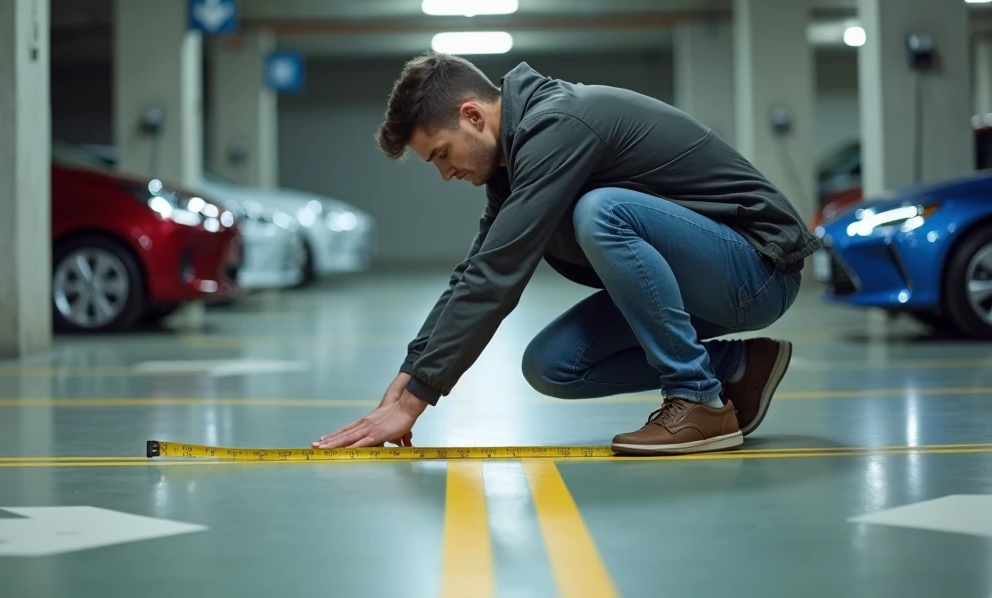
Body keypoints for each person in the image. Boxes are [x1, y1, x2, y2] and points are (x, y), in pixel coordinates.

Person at [314, 54, 819, 455]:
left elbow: (499, 276)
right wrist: (404, 380)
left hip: (757, 267)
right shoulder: (513, 163)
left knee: (602, 213)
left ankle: (698, 399)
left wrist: (417, 402)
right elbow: (475, 271)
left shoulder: (558, 124)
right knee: (553, 365)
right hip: (706, 281)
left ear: (472, 115)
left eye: (442, 153)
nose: (445, 173)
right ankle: (737, 367)